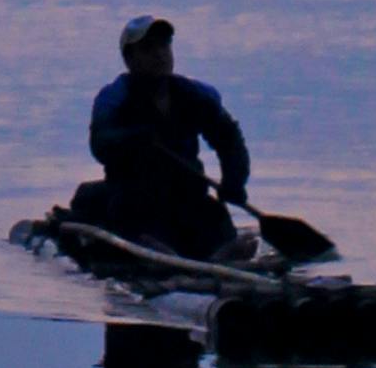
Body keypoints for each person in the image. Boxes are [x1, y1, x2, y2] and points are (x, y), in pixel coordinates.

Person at [84, 13, 255, 254]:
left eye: (164, 45)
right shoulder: (114, 98)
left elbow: (229, 140)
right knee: (131, 215)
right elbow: (99, 145)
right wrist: (134, 139)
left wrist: (233, 182)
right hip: (136, 200)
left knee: (215, 219)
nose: (160, 54)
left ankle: (218, 254)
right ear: (129, 59)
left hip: (188, 197)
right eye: (148, 48)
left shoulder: (194, 95)